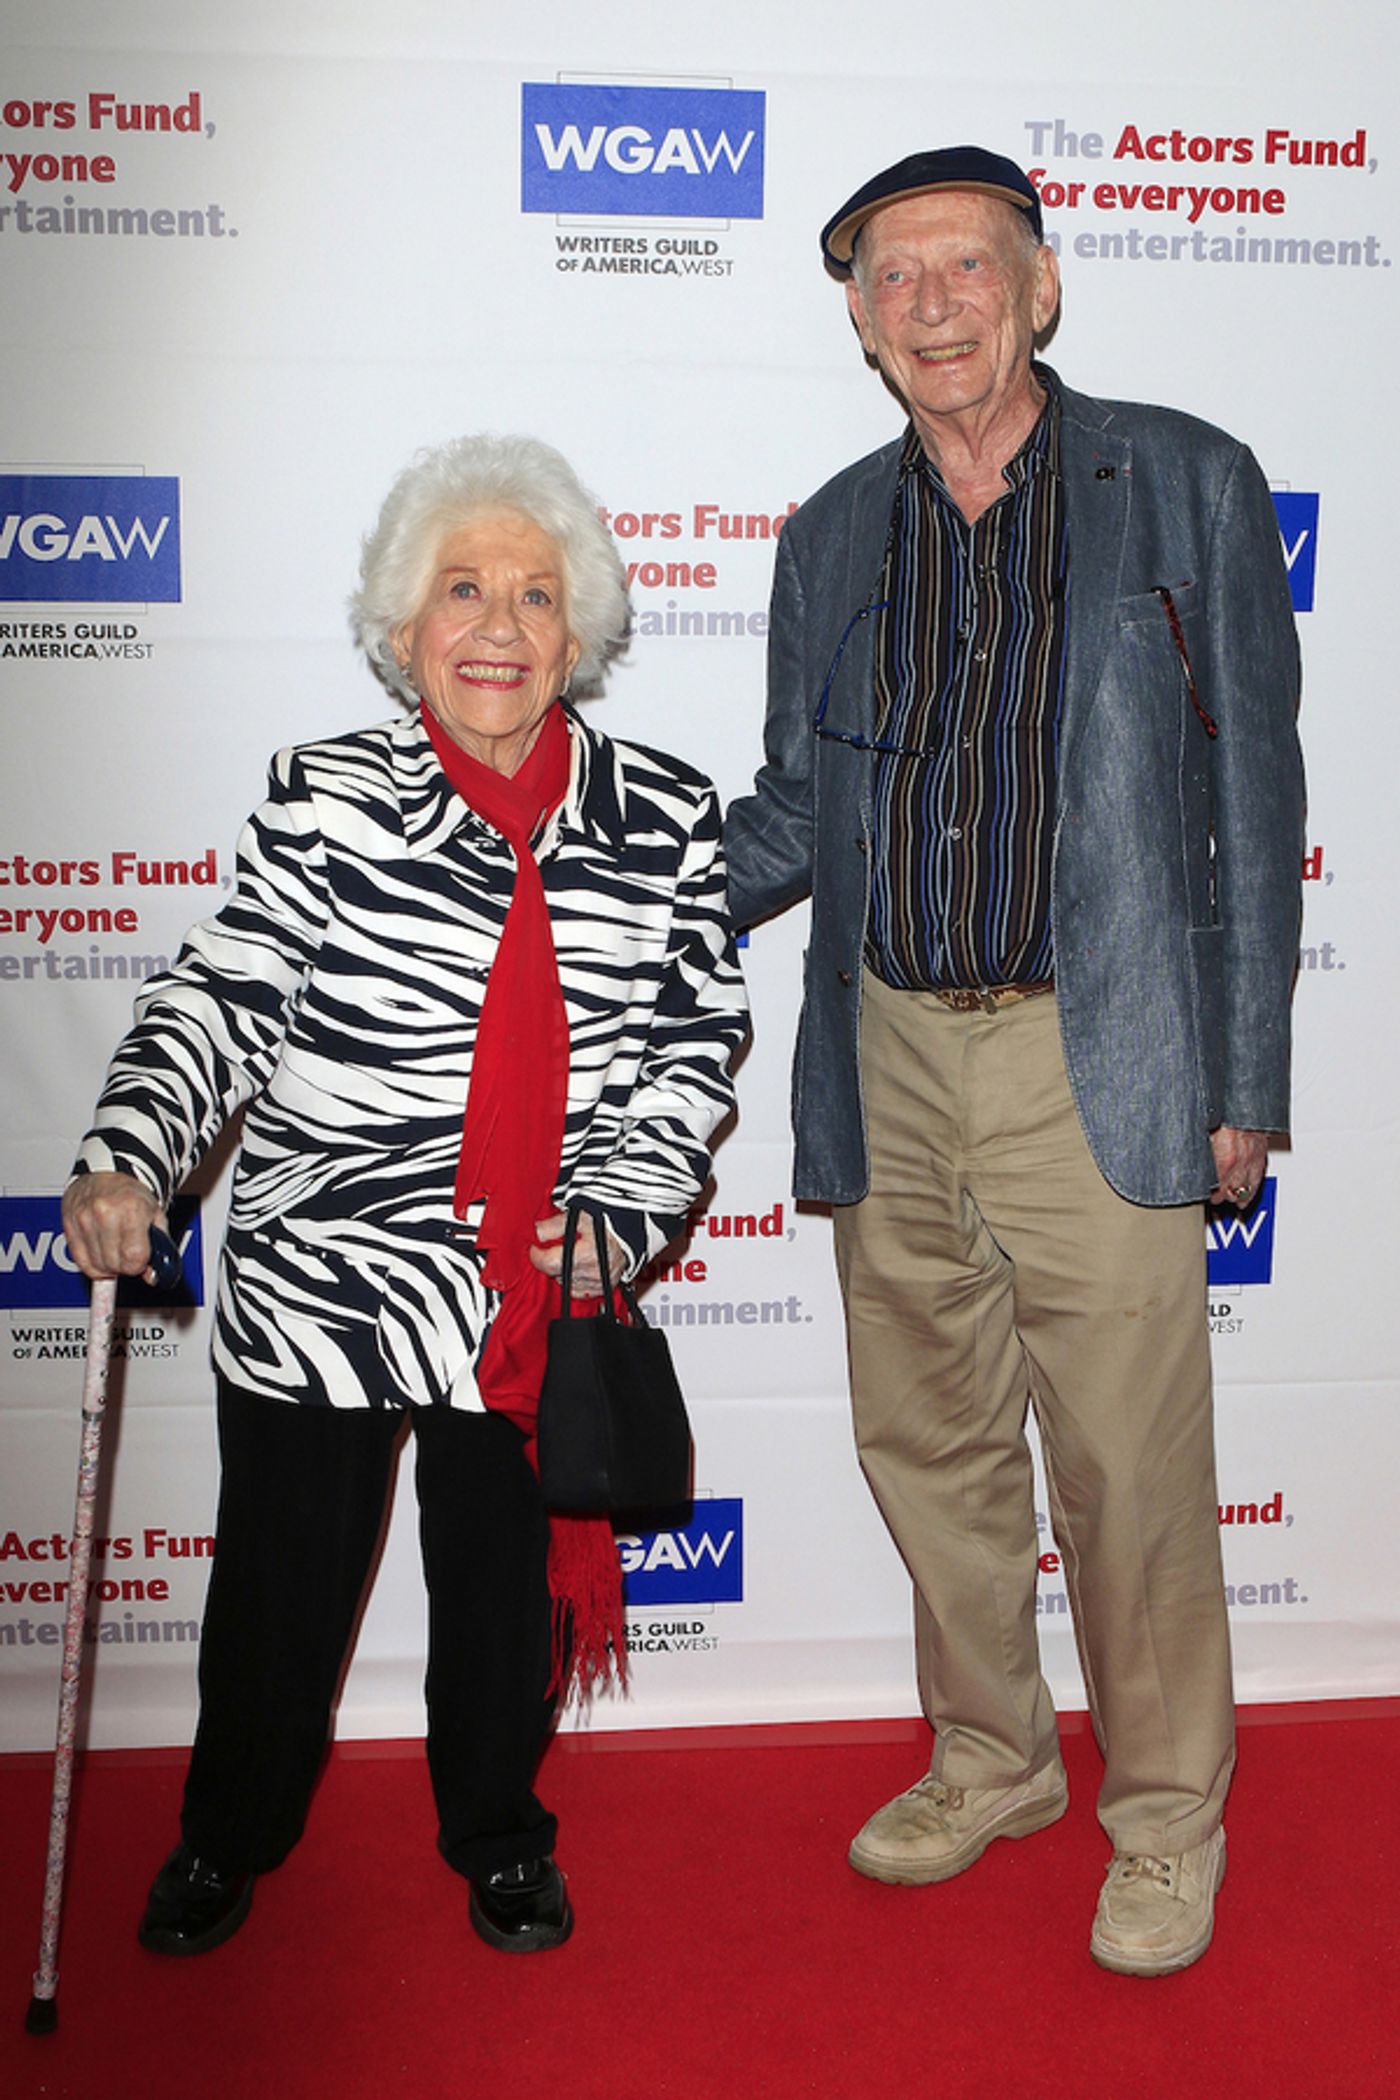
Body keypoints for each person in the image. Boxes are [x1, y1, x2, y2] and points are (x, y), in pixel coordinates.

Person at [724, 146, 1303, 1975]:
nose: (933, 303)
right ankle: (992, 1760)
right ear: (860, 322)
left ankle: (1164, 1818)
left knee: (1127, 1470)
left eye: (965, 266)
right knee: (932, 1445)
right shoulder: (830, 532)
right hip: (890, 1047)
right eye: (893, 279)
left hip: (1100, 1046)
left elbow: (1250, 798)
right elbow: (797, 813)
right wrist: (594, 869)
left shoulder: (1188, 480)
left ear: (1039, 288)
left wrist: (1246, 1081)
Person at [62, 433, 747, 1959]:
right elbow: (223, 995)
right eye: (461, 590)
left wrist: (623, 1214)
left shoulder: (663, 822)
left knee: (500, 1600)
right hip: (324, 1282)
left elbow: (696, 1042)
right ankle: (227, 1833)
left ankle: (498, 1830)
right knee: (278, 1599)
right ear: (402, 629)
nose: (497, 627)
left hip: (529, 1284)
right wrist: (130, 1151)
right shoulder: (327, 800)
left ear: (581, 635)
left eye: (534, 595)